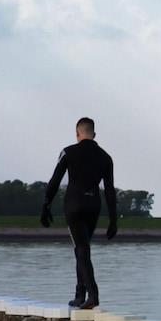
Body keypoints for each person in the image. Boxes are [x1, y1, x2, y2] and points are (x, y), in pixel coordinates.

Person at [41, 117, 116, 309]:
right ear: (94, 134)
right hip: (93, 206)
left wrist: (46, 205)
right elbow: (109, 190)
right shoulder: (106, 157)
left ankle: (93, 295)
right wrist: (113, 219)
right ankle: (79, 294)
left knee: (81, 250)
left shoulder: (68, 152)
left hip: (74, 206)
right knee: (82, 249)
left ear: (77, 134)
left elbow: (55, 180)